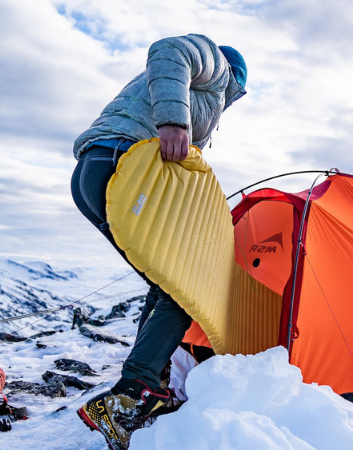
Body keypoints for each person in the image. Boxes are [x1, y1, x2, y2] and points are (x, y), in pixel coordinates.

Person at [71, 34, 246, 450]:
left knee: (164, 283)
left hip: (97, 171)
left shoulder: (184, 93)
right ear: (234, 79)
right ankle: (134, 393)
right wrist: (174, 122)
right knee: (184, 288)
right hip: (124, 166)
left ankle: (149, 378)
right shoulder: (215, 66)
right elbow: (170, 49)